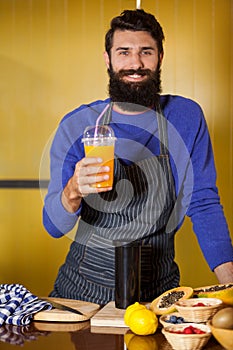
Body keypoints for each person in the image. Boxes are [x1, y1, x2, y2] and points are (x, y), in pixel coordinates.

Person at [43, 9, 233, 304]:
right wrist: (72, 192)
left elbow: (204, 203)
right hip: (82, 296)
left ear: (160, 56)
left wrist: (231, 286)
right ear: (108, 59)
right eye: (124, 52)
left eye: (146, 51)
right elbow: (54, 227)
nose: (135, 63)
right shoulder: (77, 125)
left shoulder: (185, 117)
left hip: (159, 297)